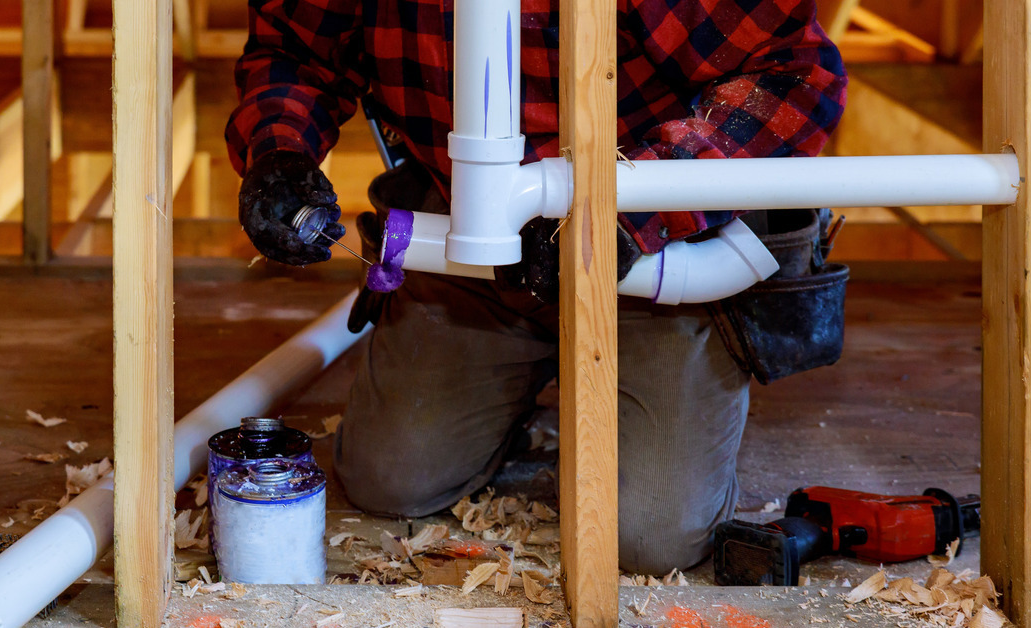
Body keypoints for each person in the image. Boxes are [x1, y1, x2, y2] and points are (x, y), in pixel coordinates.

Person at [226, 0, 847, 574]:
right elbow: (296, 51)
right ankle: (524, 377)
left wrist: (630, 208)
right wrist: (279, 151)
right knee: (390, 480)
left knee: (653, 539)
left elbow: (796, 78)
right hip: (471, 246)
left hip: (654, 252)